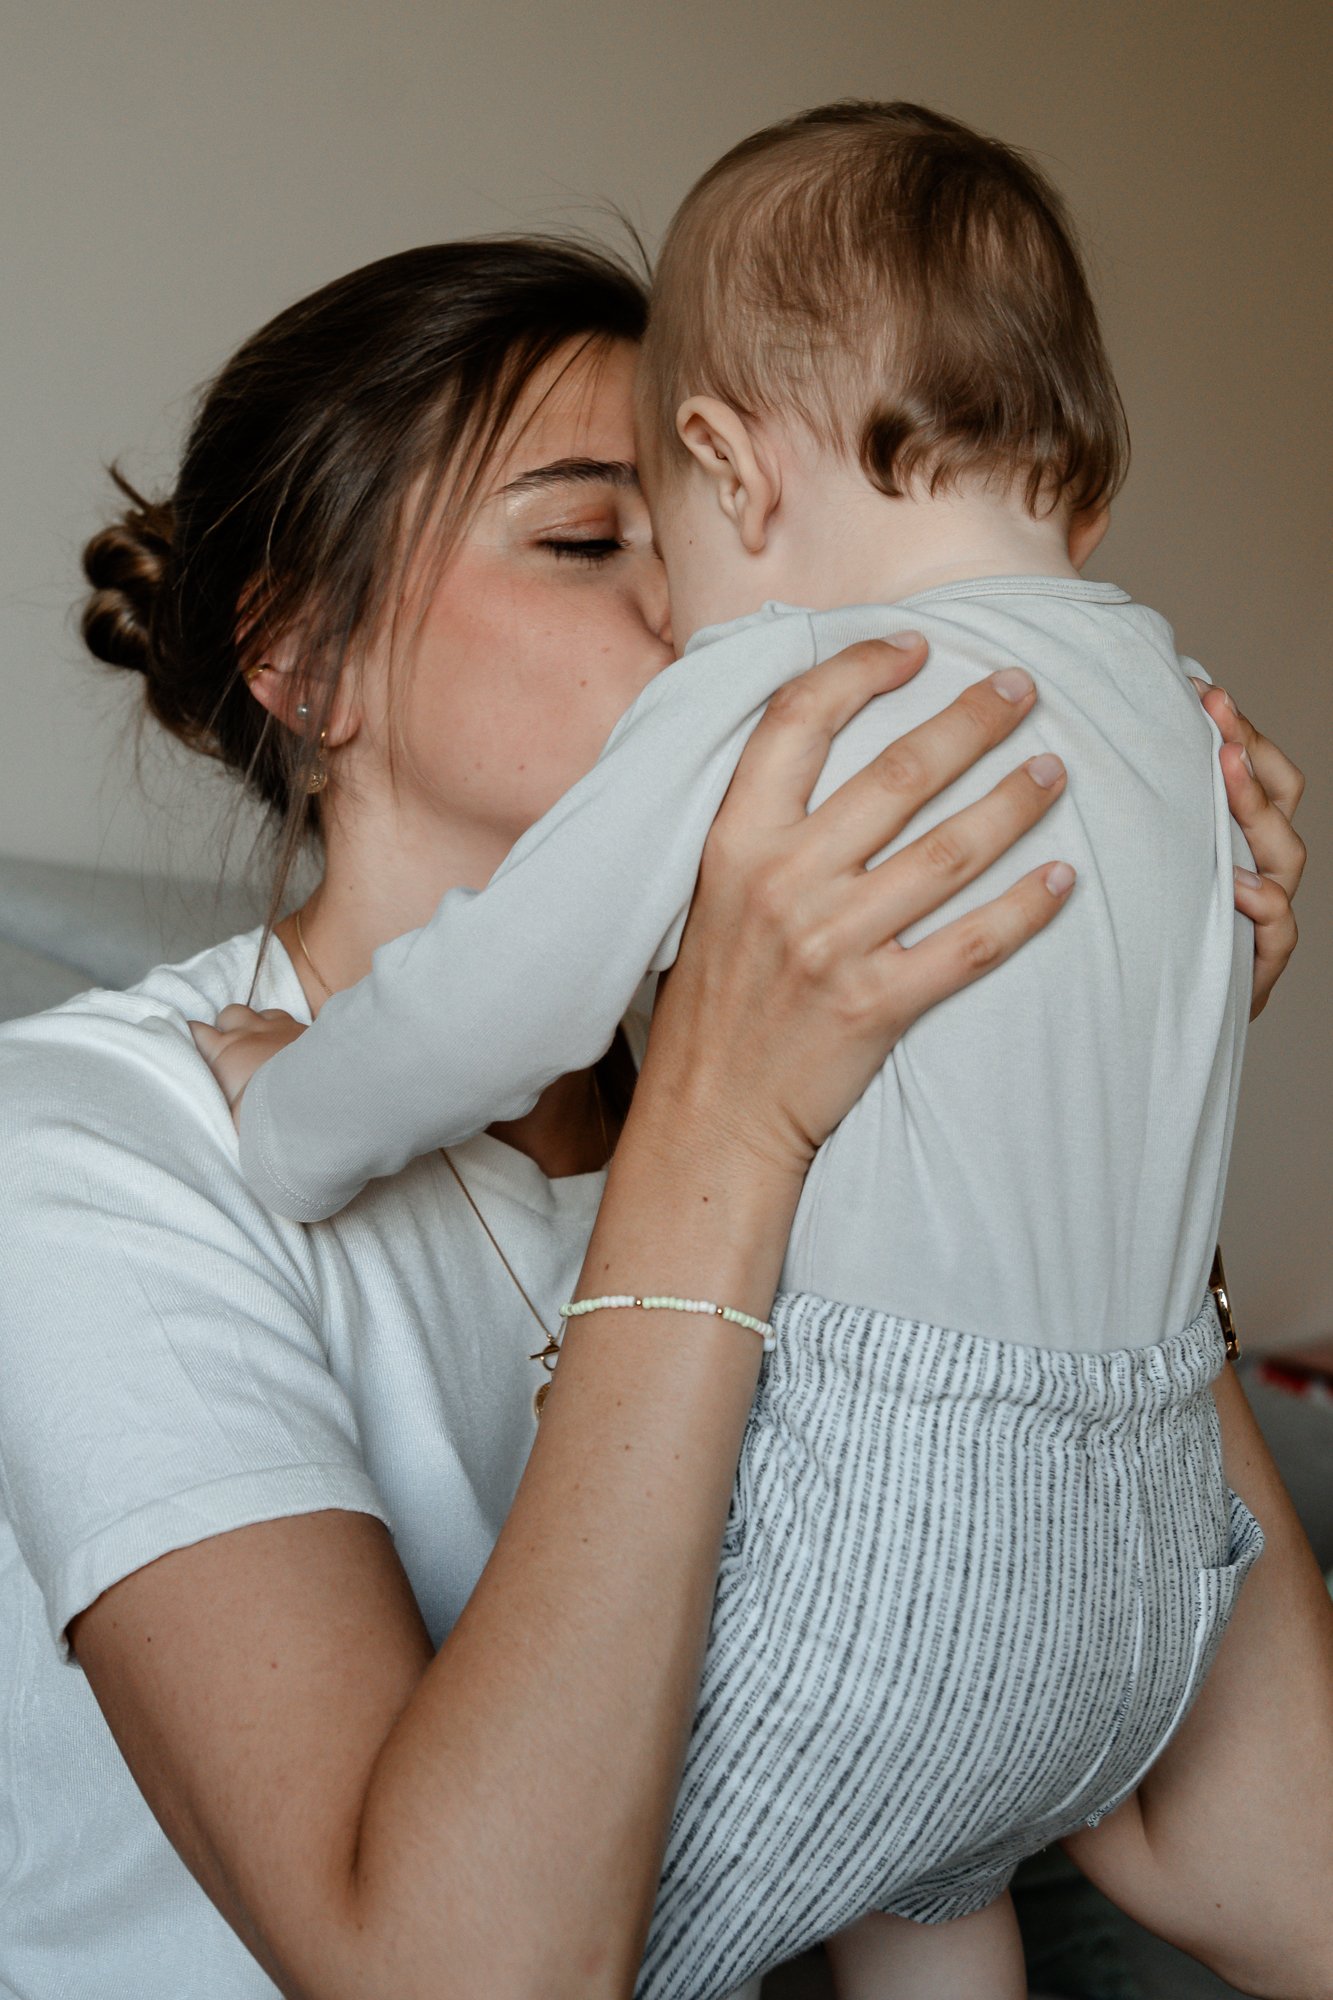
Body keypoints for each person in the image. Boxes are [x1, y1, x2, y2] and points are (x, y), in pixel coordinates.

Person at [0, 233, 1314, 2000]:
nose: (707, 612)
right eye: (585, 538)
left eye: (708, 529)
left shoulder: (854, 1096)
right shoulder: (85, 1151)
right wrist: (726, 1122)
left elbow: (1278, 1871)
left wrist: (1114, 1092)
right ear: (307, 661)